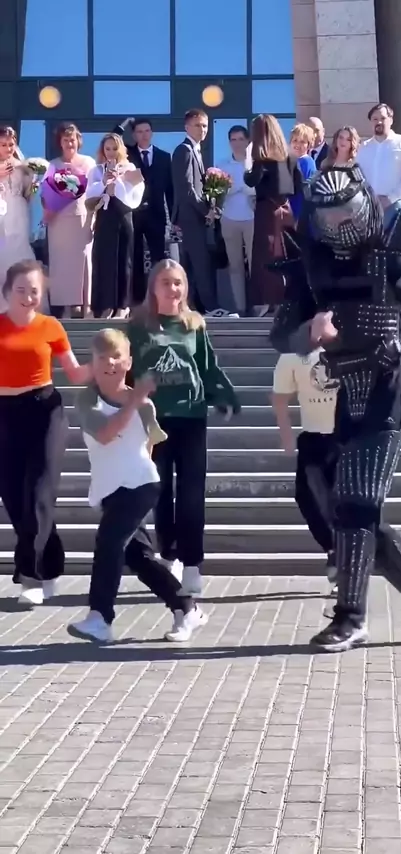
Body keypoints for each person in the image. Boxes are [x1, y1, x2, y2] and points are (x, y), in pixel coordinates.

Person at [270, 165, 401, 653]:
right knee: (346, 505)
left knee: (355, 503)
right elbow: (281, 333)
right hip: (345, 392)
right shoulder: (312, 267)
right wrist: (310, 333)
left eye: (347, 213)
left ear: (366, 207)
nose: (339, 226)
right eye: (328, 218)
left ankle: (351, 617)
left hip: (387, 386)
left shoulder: (389, 258)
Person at [69, 328, 208, 644]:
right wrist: (133, 401)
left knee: (108, 542)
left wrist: (135, 402)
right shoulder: (87, 399)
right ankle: (186, 608)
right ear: (93, 364)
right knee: (139, 557)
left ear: (128, 362)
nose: (110, 363)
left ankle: (100, 617)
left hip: (140, 485)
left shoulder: (145, 406)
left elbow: (150, 444)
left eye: (116, 357)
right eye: (102, 358)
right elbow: (104, 434)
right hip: (109, 488)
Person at [127, 259, 240, 598]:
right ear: (153, 287)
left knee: (191, 493)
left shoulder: (194, 325)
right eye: (166, 282)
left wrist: (224, 394)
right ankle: (168, 554)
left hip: (191, 418)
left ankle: (192, 563)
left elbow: (207, 366)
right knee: (160, 491)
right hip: (154, 421)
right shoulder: (137, 327)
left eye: (177, 282)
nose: (173, 289)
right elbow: (122, 369)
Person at [0, 260, 92, 606]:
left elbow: (75, 373)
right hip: (5, 415)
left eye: (34, 291)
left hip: (45, 412)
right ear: (7, 291)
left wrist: (108, 364)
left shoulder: (51, 326)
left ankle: (30, 577)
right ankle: (49, 565)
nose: (28, 297)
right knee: (14, 497)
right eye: (21, 290)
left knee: (40, 494)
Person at [272, 348, 338, 590]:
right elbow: (280, 397)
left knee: (344, 502)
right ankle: (334, 548)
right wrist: (286, 435)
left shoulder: (350, 344)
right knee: (306, 496)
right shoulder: (292, 355)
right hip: (313, 437)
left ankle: (348, 566)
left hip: (347, 436)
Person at [244, 114, 303, 316]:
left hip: (266, 212)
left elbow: (251, 180)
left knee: (265, 256)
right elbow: (298, 187)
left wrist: (248, 161)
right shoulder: (290, 158)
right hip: (285, 210)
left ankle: (267, 300)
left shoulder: (262, 160)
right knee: (286, 256)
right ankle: (285, 300)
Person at [113, 117, 174, 305]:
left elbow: (170, 190)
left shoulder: (164, 157)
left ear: (152, 133)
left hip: (156, 215)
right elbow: (114, 138)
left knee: (159, 258)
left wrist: (174, 218)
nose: (144, 135)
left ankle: (159, 298)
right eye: (139, 132)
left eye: (147, 131)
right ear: (133, 135)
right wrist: (124, 123)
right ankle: (137, 301)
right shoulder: (128, 154)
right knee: (135, 258)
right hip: (134, 214)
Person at [86, 133, 144, 320]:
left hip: (123, 216)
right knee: (104, 260)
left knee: (123, 260)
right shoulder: (96, 170)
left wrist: (117, 184)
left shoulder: (129, 168)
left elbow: (135, 196)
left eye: (114, 148)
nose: (110, 152)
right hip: (104, 217)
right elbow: (89, 194)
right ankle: (105, 305)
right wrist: (104, 182)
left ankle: (123, 306)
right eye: (107, 149)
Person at [44, 123, 95, 318]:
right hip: (59, 220)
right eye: (65, 140)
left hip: (82, 217)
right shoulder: (52, 165)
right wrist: (48, 210)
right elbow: (45, 193)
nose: (69, 143)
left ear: (78, 141)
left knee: (84, 261)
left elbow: (94, 192)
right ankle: (65, 308)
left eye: (72, 139)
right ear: (60, 142)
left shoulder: (88, 162)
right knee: (61, 263)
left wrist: (94, 218)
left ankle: (86, 307)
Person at [171, 109, 218, 315]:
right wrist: (205, 210)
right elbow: (186, 188)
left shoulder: (197, 150)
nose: (202, 130)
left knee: (191, 266)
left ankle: (190, 307)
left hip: (195, 217)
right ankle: (211, 307)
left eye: (205, 125)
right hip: (190, 217)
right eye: (198, 125)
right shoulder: (184, 150)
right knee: (200, 264)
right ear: (187, 127)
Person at [356, 103, 401, 229]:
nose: (379, 122)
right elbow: (358, 177)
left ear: (391, 120)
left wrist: (389, 200)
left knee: (394, 242)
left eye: (383, 118)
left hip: (394, 207)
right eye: (375, 119)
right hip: (368, 209)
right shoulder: (364, 147)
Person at [216, 125, 256, 316]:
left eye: (241, 139)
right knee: (235, 266)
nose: (237, 143)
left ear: (248, 141)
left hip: (252, 219)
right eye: (233, 139)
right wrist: (238, 187)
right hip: (229, 219)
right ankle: (240, 308)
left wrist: (240, 187)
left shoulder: (255, 163)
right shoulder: (222, 165)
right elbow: (218, 192)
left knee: (255, 265)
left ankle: (257, 305)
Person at [0, 126, 35, 310]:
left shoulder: (21, 166)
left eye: (11, 144)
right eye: (3, 144)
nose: (8, 148)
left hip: (18, 212)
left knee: (20, 251)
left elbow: (28, 193)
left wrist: (33, 184)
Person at [289, 124, 316, 222]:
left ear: (308, 145)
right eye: (295, 140)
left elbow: (308, 191)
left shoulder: (306, 162)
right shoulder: (291, 161)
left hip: (300, 212)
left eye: (302, 142)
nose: (297, 144)